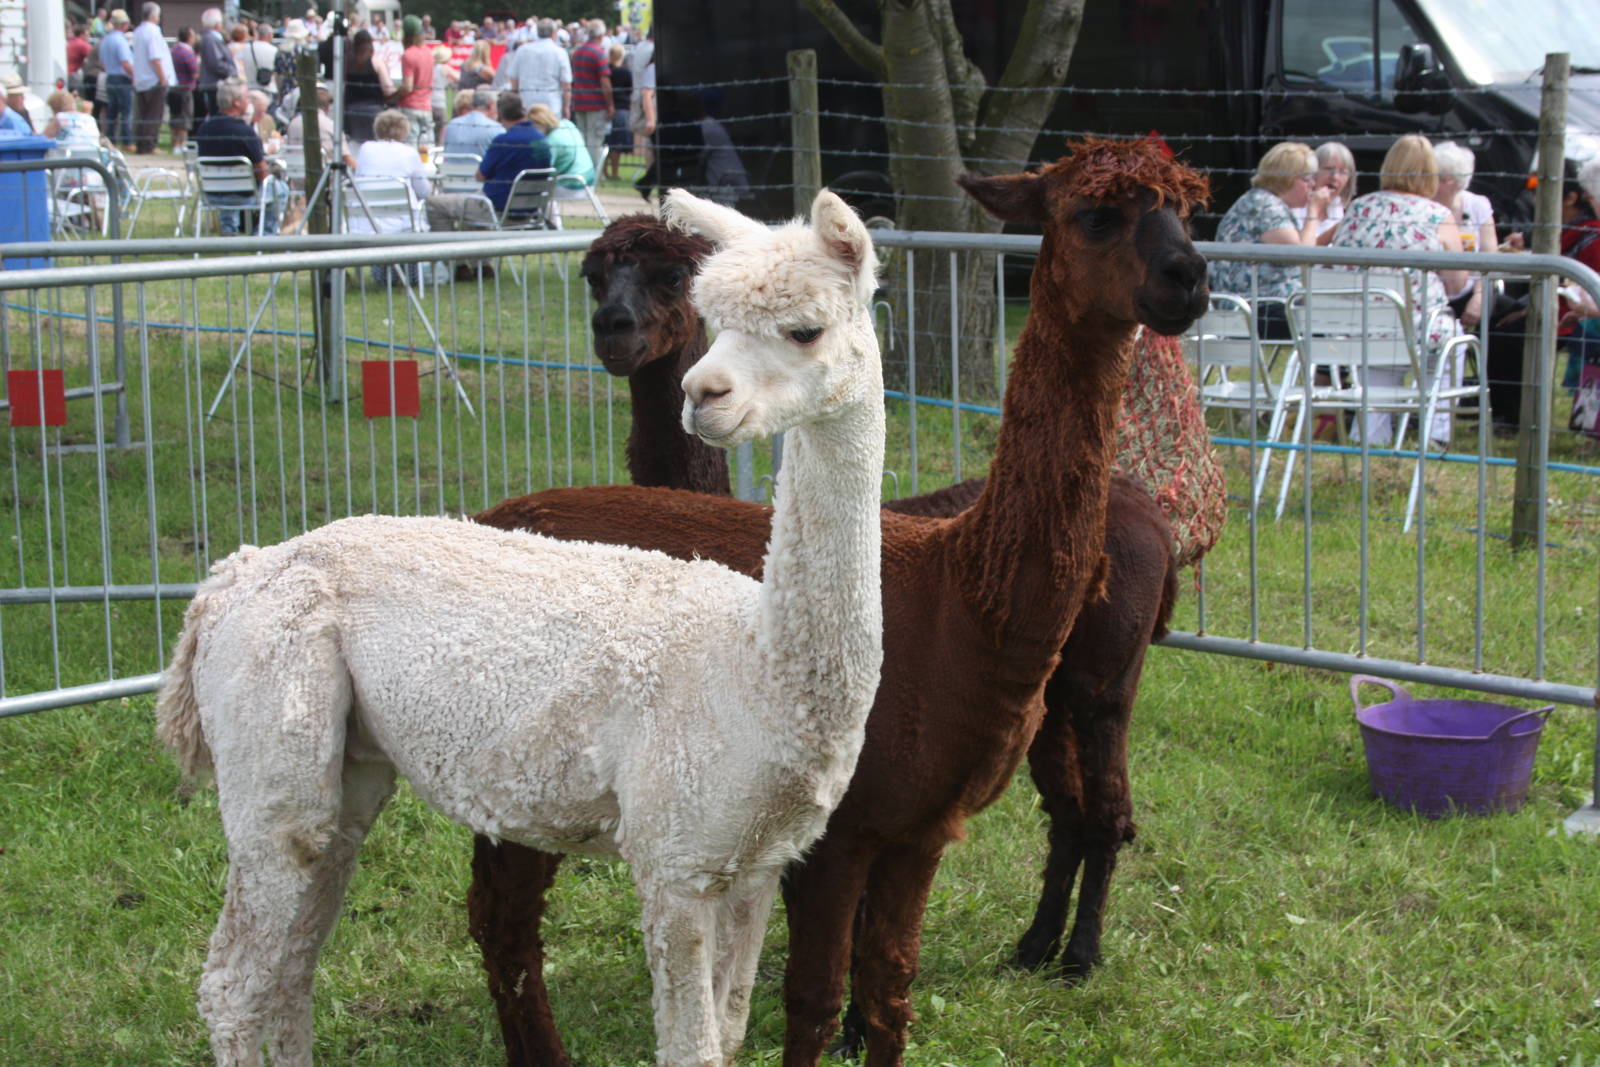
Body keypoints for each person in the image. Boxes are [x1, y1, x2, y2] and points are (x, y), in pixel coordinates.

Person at [1328, 134, 1474, 445]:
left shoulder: (1358, 209)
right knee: (1454, 342)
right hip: (1417, 328)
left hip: (1359, 326)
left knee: (1381, 358)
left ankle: (1371, 436)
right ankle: (1435, 433)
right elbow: (1457, 284)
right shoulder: (1436, 215)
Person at [1208, 141, 1331, 337]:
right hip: (1256, 309)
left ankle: (1326, 368)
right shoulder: (1264, 206)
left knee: (1333, 315)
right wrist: (1314, 211)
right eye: (1307, 179)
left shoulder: (1264, 201)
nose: (1313, 185)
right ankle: (1328, 369)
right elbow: (1301, 255)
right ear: (1287, 178)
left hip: (1264, 305)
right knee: (1335, 318)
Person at [194, 78, 277, 234]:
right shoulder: (245, 132)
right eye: (246, 98)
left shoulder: (204, 129)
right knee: (280, 189)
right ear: (236, 103)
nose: (248, 102)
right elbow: (262, 171)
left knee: (227, 178)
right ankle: (265, 233)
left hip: (211, 193)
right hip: (243, 195)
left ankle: (229, 229)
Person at [349, 107, 428, 235]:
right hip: (402, 226)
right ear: (404, 130)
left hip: (364, 224)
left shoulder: (365, 149)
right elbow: (423, 191)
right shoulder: (409, 152)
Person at [1433, 141, 1498, 254]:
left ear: (1459, 183)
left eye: (1442, 180)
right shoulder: (1423, 206)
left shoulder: (1477, 206)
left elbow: (1490, 255)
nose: (1435, 184)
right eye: (1433, 177)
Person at [568, 18, 613, 174]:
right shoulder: (599, 54)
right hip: (596, 104)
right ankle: (592, 172)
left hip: (579, 102)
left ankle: (581, 170)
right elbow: (605, 81)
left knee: (583, 139)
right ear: (601, 35)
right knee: (595, 140)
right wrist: (610, 104)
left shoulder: (577, 52)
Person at [505, 18, 569, 118]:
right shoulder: (560, 52)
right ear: (554, 33)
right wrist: (566, 107)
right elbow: (566, 83)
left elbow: (514, 79)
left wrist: (517, 99)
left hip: (527, 103)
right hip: (552, 105)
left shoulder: (522, 50)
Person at [1292, 141, 1354, 237]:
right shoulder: (1296, 205)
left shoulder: (1337, 206)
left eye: (1342, 171)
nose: (1335, 177)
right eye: (1328, 169)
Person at [343, 29, 393, 148]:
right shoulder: (377, 63)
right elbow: (388, 89)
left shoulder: (347, 63)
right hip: (374, 111)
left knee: (355, 146)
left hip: (351, 111)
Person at [526, 103, 593, 186]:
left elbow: (544, 170)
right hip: (588, 177)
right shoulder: (568, 124)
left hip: (571, 183)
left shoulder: (550, 142)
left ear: (541, 123)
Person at [393, 16, 434, 147]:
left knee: (410, 147)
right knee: (427, 147)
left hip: (410, 106)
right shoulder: (429, 52)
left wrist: (394, 95)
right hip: (426, 105)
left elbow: (407, 87)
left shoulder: (408, 55)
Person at [100, 9, 136, 150]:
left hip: (110, 77)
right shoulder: (121, 41)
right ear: (124, 24)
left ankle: (111, 140)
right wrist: (134, 75)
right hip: (122, 79)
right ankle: (127, 141)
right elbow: (126, 63)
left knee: (111, 112)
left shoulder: (106, 39)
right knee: (126, 112)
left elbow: (103, 64)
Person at [440, 87, 501, 160]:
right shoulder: (496, 128)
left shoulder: (451, 125)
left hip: (450, 170)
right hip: (481, 170)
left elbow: (445, 158)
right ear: (491, 104)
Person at [195, 8, 233, 122]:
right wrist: (231, 71)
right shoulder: (210, 39)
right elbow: (215, 63)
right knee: (217, 116)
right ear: (217, 24)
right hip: (215, 84)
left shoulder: (209, 38)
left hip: (215, 83)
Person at [167, 26, 198, 152]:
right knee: (184, 119)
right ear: (189, 37)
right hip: (185, 88)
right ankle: (181, 145)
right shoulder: (188, 52)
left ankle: (174, 144)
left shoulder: (172, 50)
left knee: (174, 117)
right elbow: (195, 72)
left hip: (173, 87)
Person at [604, 43, 631, 180]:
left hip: (606, 109)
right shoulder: (625, 72)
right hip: (621, 109)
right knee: (617, 144)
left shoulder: (606, 71)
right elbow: (630, 90)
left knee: (607, 142)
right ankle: (614, 172)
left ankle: (603, 170)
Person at [629, 28, 655, 169]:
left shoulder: (640, 46)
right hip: (648, 96)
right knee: (650, 137)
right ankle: (650, 170)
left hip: (638, 91)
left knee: (646, 138)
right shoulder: (652, 49)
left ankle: (648, 169)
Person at [237, 22, 279, 96]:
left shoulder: (245, 48)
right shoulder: (274, 50)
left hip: (249, 88)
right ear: (269, 35)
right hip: (268, 89)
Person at [430, 44, 455, 139]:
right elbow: (458, 78)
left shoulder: (432, 67)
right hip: (439, 102)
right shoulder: (445, 68)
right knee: (440, 132)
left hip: (429, 101)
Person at [66, 23, 94, 97]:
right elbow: (93, 58)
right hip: (74, 74)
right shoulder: (83, 44)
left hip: (66, 72)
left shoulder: (70, 42)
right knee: (75, 94)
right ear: (82, 35)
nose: (89, 37)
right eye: (87, 35)